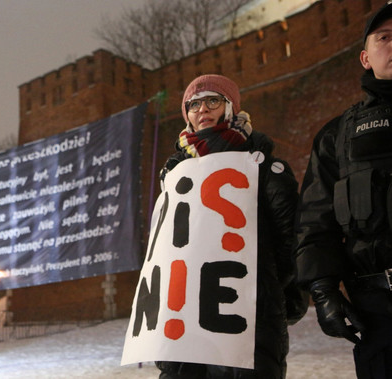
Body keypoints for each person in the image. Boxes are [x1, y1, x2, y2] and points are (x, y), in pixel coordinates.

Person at [155, 74, 301, 378]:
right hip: (184, 316)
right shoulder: (173, 174)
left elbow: (290, 239)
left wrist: (268, 291)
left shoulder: (263, 167)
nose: (202, 109)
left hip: (248, 314)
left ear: (230, 106)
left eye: (213, 100)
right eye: (193, 104)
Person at [295, 3, 392, 378]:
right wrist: (322, 291)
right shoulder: (337, 137)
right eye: (385, 37)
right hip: (379, 311)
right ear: (366, 58)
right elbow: (315, 221)